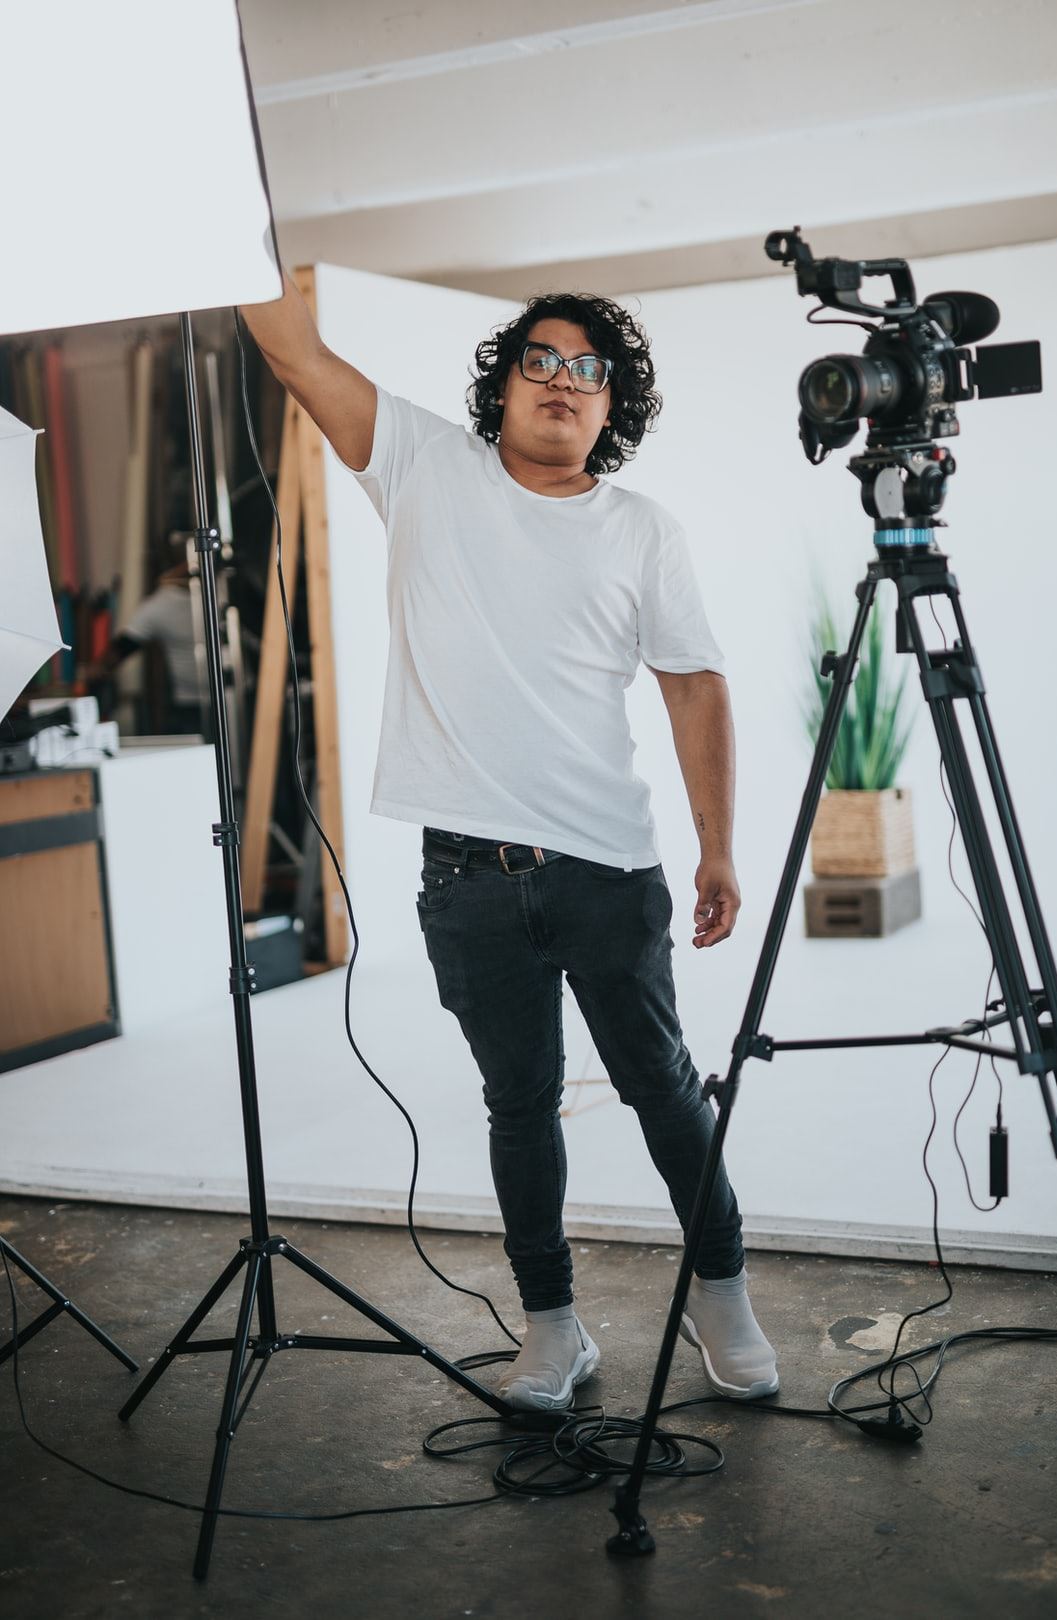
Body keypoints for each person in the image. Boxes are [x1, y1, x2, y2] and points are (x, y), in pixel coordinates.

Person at [240, 275, 778, 1412]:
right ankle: (552, 1328)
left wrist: (717, 848)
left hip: (607, 870)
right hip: (466, 879)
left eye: (589, 369)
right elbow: (296, 353)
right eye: (542, 358)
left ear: (611, 404)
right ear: (505, 381)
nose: (563, 381)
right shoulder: (425, 466)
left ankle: (723, 1295)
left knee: (663, 1087)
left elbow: (694, 686)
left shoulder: (642, 530)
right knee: (518, 1105)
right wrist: (238, 239)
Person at [82, 555, 203, 736]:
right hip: (195, 702)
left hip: (201, 702)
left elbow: (120, 650)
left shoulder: (158, 605)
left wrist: (91, 671)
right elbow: (122, 648)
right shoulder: (160, 605)